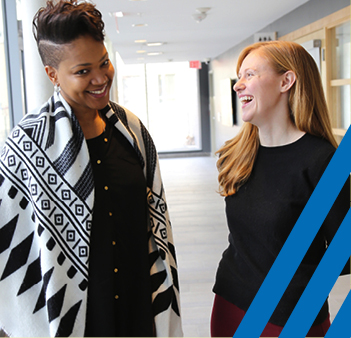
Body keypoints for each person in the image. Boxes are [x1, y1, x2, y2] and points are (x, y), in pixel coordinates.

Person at [0, 1, 182, 337]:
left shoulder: (132, 131)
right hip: (74, 314)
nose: (100, 78)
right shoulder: (27, 144)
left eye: (104, 63)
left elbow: (156, 223)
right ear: (52, 74)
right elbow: (9, 243)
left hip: (138, 307)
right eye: (83, 71)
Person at [211, 40, 350, 337]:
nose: (239, 85)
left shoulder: (322, 161)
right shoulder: (237, 155)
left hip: (291, 317)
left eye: (250, 74)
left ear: (286, 81)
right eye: (240, 76)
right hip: (229, 303)